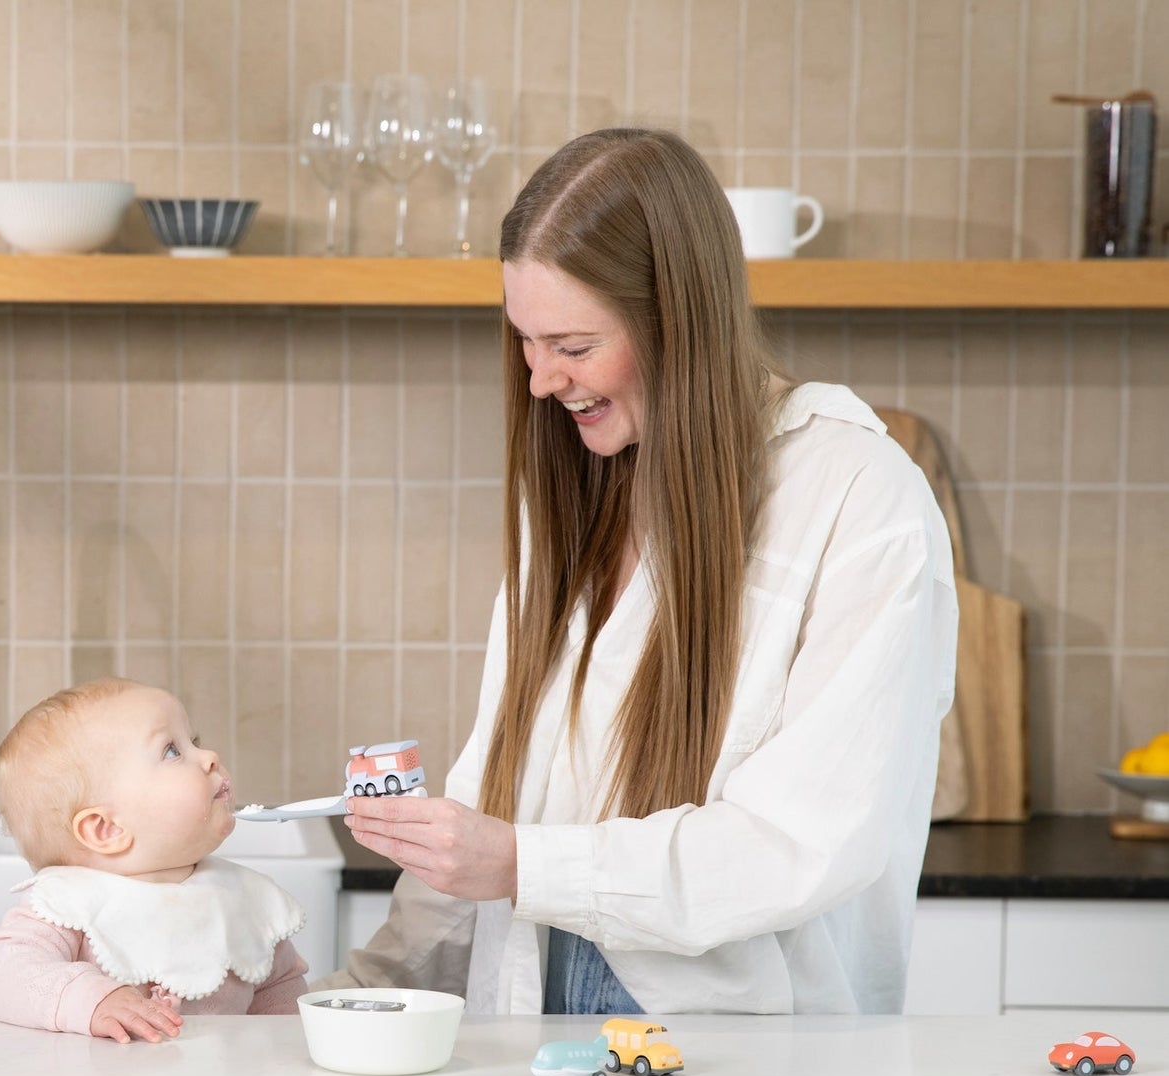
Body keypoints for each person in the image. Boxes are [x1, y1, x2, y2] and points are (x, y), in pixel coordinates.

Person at [334, 127, 958, 1015]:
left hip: (745, 1062)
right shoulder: (577, 490)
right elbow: (495, 787)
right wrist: (352, 997)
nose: (541, 381)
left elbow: (800, 841)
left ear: (679, 322)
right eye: (525, 341)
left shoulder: (856, 497)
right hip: (542, 1024)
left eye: (572, 346)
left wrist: (523, 864)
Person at [0, 678, 308, 1041]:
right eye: (172, 751)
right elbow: (2, 970)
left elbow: (280, 994)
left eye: (194, 742)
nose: (210, 756)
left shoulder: (243, 897)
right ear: (106, 829)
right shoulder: (70, 905)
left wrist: (286, 1046)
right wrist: (93, 1000)